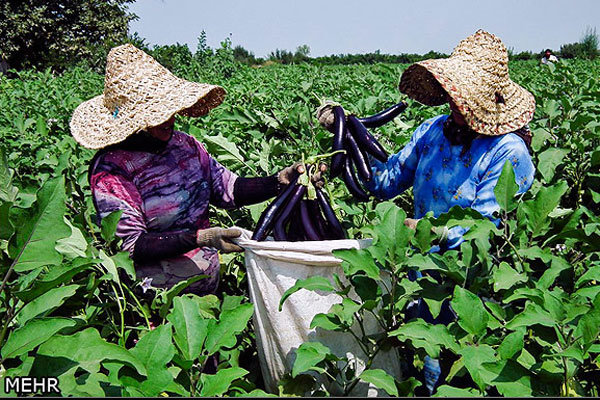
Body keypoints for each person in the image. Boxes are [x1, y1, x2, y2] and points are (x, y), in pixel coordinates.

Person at [362, 30, 536, 393]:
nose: (456, 103)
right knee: (417, 365)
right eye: (454, 93)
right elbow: (386, 181)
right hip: (417, 276)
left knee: (457, 374)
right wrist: (345, 140)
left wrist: (427, 230)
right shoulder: (433, 129)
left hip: (469, 284)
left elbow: (484, 228)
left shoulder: (509, 152)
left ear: (489, 99)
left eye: (465, 96)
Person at [70, 44, 321, 296]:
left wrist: (279, 181)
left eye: (169, 110)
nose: (169, 120)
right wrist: (200, 238)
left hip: (207, 290)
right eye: (155, 115)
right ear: (132, 123)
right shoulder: (112, 170)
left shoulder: (185, 146)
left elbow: (229, 189)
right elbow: (132, 244)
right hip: (157, 301)